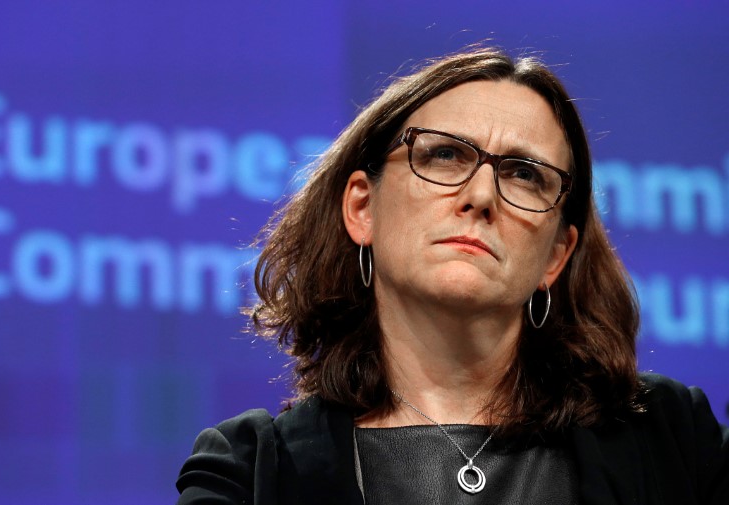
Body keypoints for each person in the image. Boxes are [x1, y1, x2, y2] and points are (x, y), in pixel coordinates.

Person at [175, 47, 729, 504]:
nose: (482, 196)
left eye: (525, 175)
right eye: (443, 156)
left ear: (555, 256)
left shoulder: (674, 439)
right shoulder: (248, 473)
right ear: (362, 209)